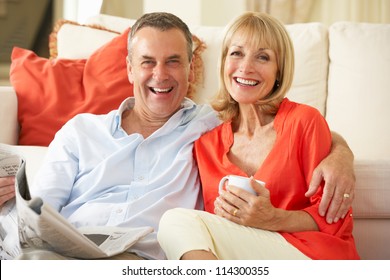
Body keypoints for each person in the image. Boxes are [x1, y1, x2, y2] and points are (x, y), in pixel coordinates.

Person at [0, 12, 354, 260]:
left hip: (140, 262)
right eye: (147, 62)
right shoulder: (81, 131)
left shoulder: (206, 126)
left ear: (190, 68)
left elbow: (287, 125)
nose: (160, 75)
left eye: (173, 61)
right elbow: (39, 212)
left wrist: (340, 153)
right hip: (65, 257)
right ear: (129, 68)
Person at [157, 12, 360, 260]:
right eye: (237, 53)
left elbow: (333, 219)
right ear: (223, 63)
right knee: (177, 226)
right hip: (250, 259)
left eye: (262, 57)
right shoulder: (206, 144)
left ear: (279, 71)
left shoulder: (304, 122)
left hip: (313, 255)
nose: (246, 67)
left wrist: (273, 218)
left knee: (175, 221)